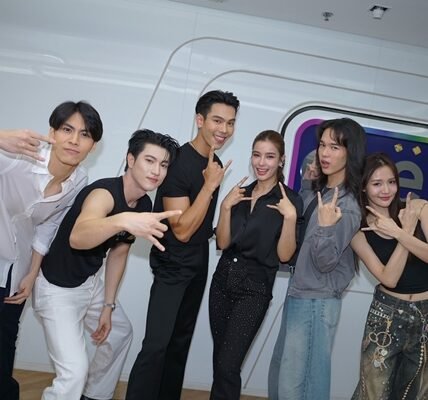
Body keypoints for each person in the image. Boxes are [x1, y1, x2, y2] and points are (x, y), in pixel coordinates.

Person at [32, 129, 181, 400]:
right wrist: (122, 219)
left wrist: (107, 306)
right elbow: (78, 237)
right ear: (131, 159)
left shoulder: (143, 204)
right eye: (149, 160)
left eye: (163, 164)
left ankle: (94, 396)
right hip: (57, 288)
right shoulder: (104, 193)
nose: (156, 171)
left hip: (89, 284)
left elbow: (119, 253)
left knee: (119, 334)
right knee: (74, 373)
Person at [125, 90, 240, 400]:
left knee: (180, 344)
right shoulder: (177, 162)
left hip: (198, 259)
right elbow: (183, 230)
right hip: (173, 261)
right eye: (217, 120)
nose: (224, 129)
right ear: (200, 120)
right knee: (157, 345)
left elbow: (198, 225)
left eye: (230, 123)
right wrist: (210, 186)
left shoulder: (214, 162)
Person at [0, 101, 103, 400]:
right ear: (52, 133)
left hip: (15, 267)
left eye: (84, 134)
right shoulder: (17, 157)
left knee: (5, 340)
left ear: (93, 146)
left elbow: (48, 226)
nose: (74, 140)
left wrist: (32, 273)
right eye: (67, 130)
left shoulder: (79, 180)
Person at [268, 117, 367, 400]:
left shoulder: (347, 204)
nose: (324, 153)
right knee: (283, 375)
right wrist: (308, 183)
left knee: (300, 385)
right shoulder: (320, 190)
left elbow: (326, 262)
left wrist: (325, 228)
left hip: (317, 300)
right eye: (322, 145)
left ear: (350, 152)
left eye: (334, 147)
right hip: (300, 292)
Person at [208, 130, 304, 400]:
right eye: (256, 155)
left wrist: (290, 219)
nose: (261, 163)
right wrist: (225, 208)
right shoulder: (240, 194)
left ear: (281, 160)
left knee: (228, 365)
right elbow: (223, 243)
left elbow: (285, 256)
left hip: (254, 289)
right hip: (222, 281)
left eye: (270, 156)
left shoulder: (290, 201)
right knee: (221, 361)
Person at [350, 152, 428, 399]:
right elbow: (389, 278)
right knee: (373, 391)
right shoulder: (359, 229)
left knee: (416, 392)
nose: (386, 190)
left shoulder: (418, 208)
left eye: (391, 182)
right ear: (364, 187)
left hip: (425, 315)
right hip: (386, 315)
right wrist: (404, 232)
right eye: (377, 183)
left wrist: (401, 232)